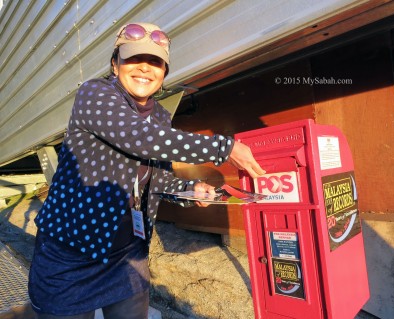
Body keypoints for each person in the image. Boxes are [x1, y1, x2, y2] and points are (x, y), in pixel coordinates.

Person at [28, 22, 265, 319]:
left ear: (164, 72)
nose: (144, 68)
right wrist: (224, 148)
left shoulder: (160, 115)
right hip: (71, 253)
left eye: (155, 62)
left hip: (127, 253)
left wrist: (186, 191)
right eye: (133, 59)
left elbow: (157, 174)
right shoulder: (94, 94)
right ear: (115, 65)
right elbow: (140, 139)